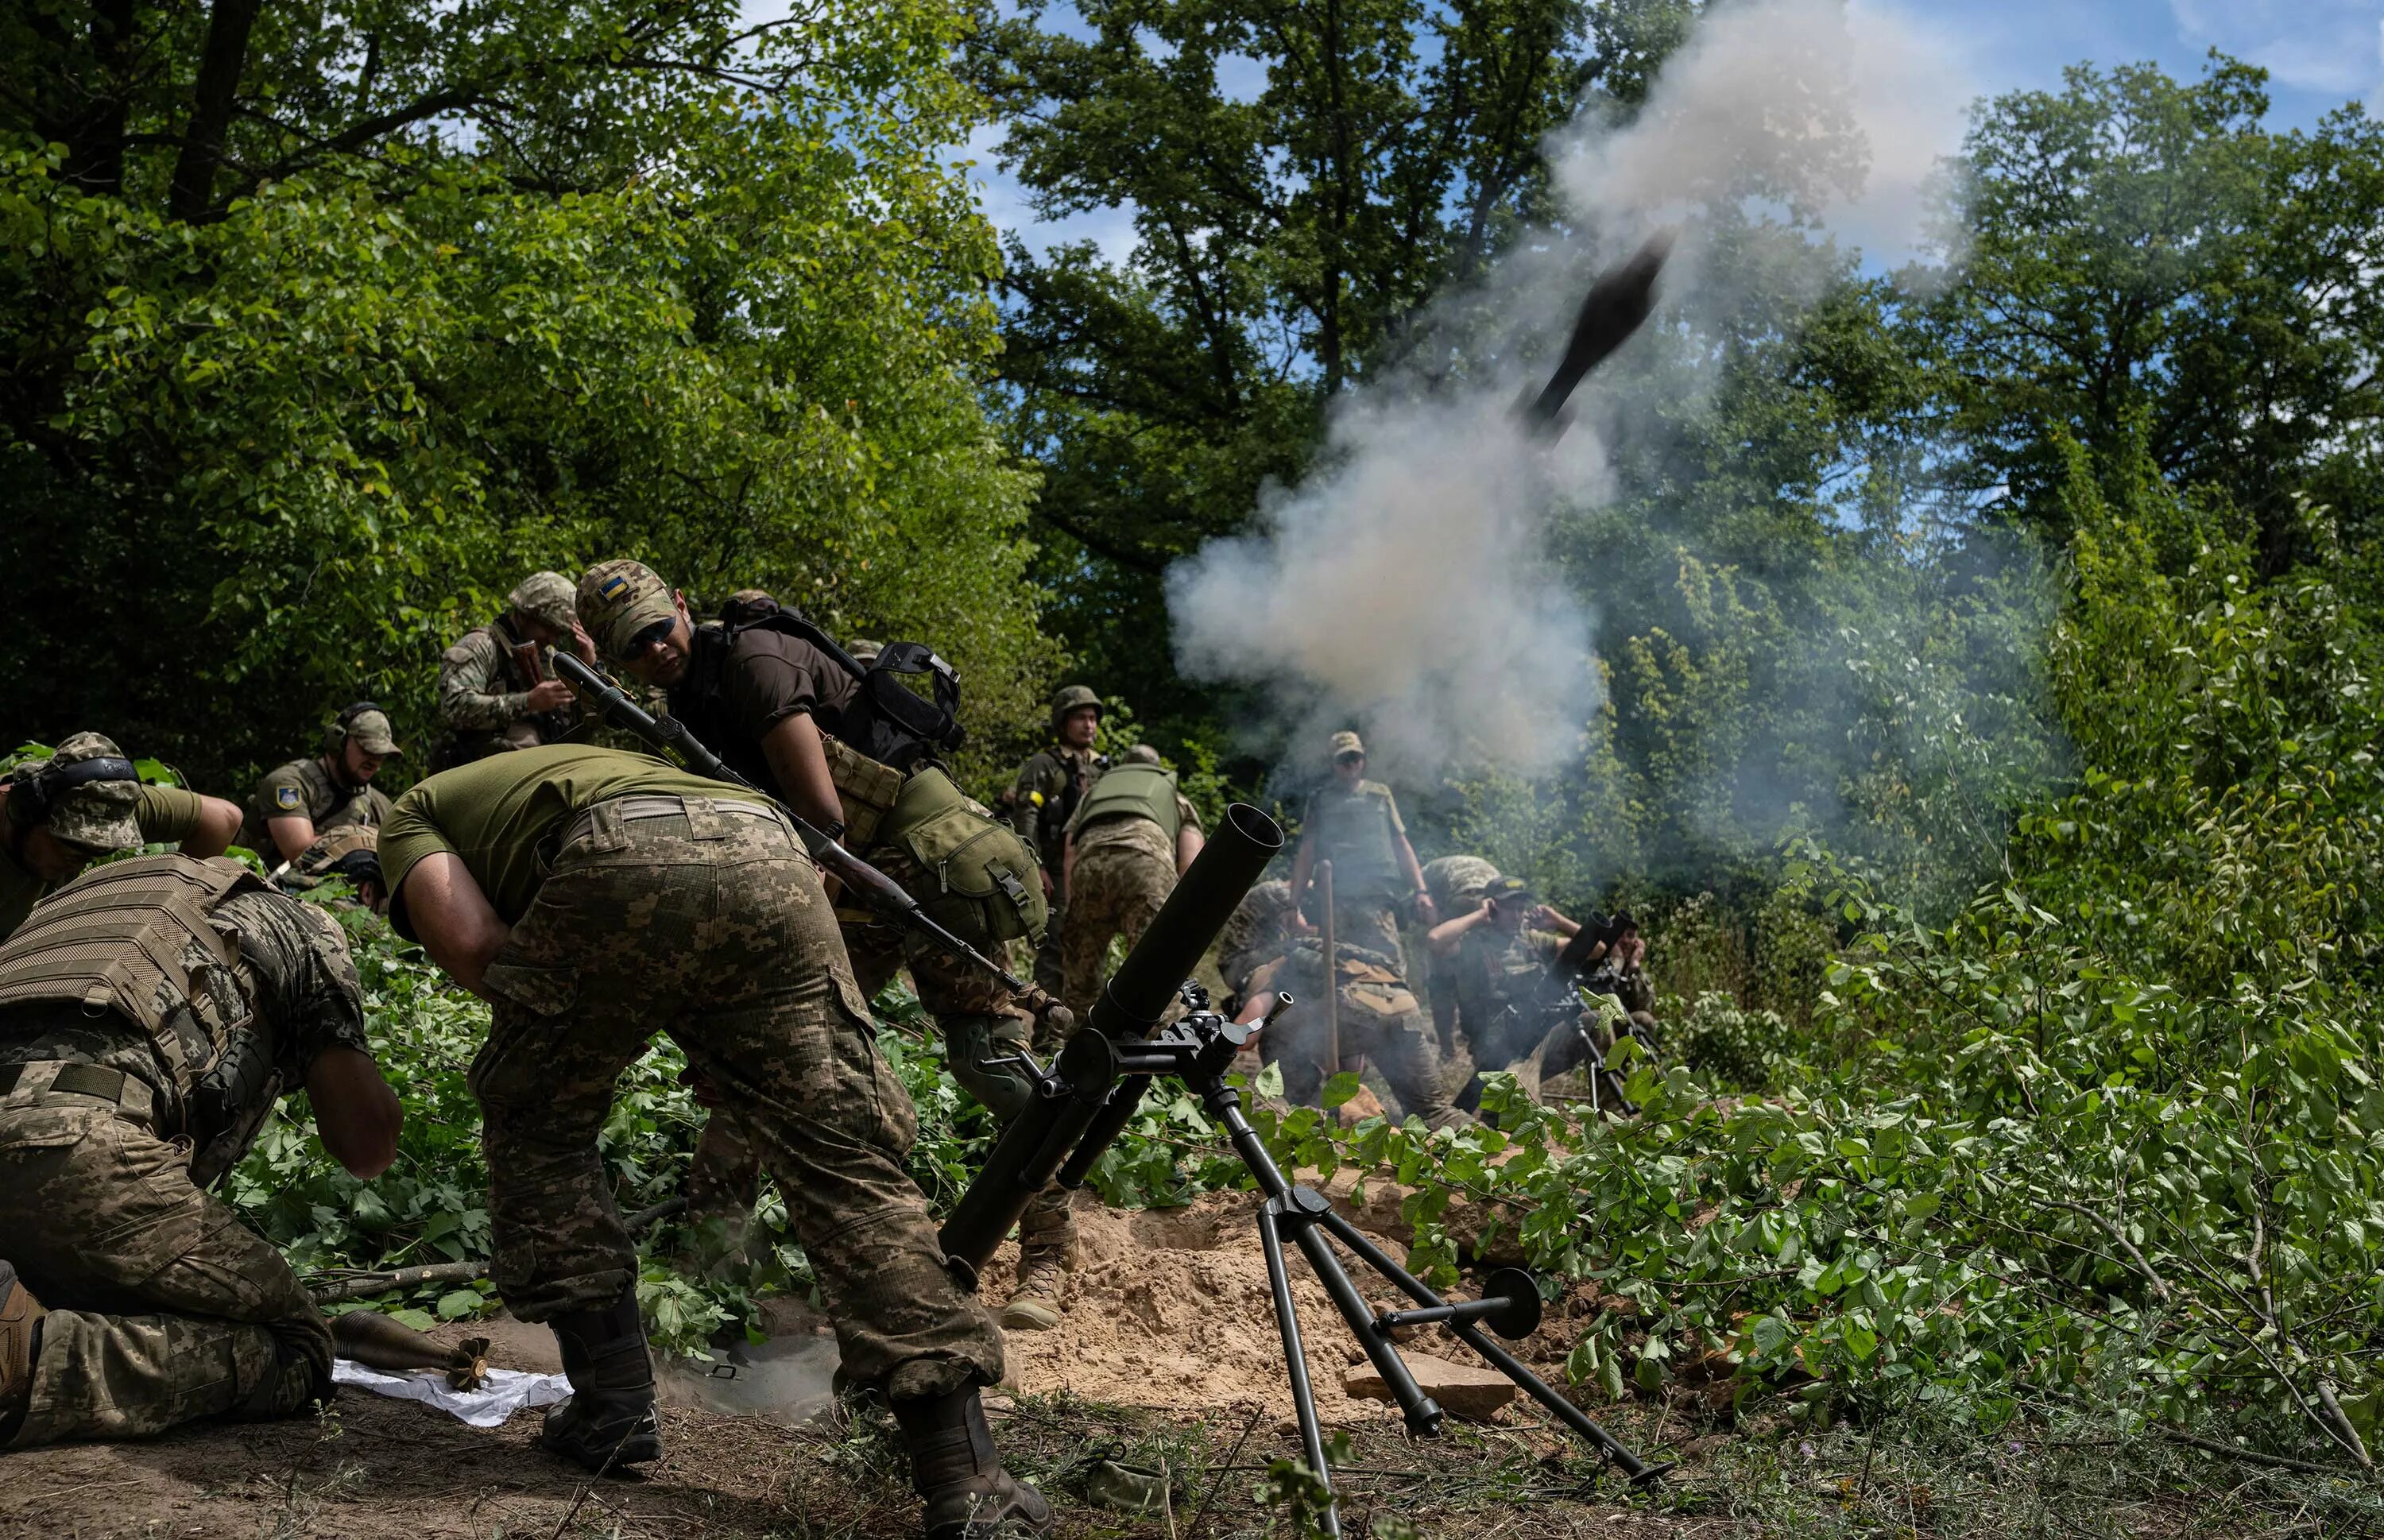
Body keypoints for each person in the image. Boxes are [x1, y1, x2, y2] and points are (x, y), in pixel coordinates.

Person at [377, 745, 1048, 1535]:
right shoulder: (599, 764)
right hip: (774, 849)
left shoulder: (410, 815)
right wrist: (720, 1037)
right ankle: (968, 1480)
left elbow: (481, 952)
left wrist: (585, 1032)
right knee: (842, 1159)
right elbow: (719, 889)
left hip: (619, 853)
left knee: (538, 1122)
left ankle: (612, 1408)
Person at [571, 564, 1070, 1331]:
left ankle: (1049, 1256)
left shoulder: (752, 662)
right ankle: (719, 1267)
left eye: (657, 629)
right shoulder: (688, 700)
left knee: (989, 1058)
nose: (654, 649)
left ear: (680, 604)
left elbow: (821, 817)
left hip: (918, 864)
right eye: (632, 647)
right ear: (611, 658)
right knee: (774, 1065)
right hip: (850, 881)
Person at [0, 854, 402, 1448]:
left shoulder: (78, 900)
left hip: (60, 1152)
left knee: (59, 1277)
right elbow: (366, 1145)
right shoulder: (303, 926)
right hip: (72, 1147)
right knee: (300, 1345)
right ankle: (28, 1366)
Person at [0, 733, 242, 940]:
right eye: (71, 845)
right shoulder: (41, 800)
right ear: (27, 808)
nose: (80, 862)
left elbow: (222, 819)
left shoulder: (102, 804)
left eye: (100, 849)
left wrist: (167, 916)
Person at [1426, 875, 1611, 1106]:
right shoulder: (1471, 945)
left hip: (1540, 1039)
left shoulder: (1532, 942)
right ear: (1493, 907)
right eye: (1510, 909)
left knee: (1597, 1020)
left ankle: (1611, 1112)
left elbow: (1598, 950)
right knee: (1521, 1112)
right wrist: (1479, 916)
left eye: (1521, 909)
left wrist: (1558, 921)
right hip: (1498, 1050)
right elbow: (1434, 940)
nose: (1517, 915)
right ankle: (1500, 1106)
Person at [1056, 744, 1203, 1025]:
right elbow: (1192, 861)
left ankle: (1076, 1051)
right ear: (1157, 768)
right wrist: (1182, 920)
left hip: (1090, 868)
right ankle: (1159, 1052)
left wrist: (1075, 907)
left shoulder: (1093, 795)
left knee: (1081, 975)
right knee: (1157, 972)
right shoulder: (1174, 797)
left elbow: (1069, 855)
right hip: (1146, 868)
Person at [1286, 732, 1433, 973]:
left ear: (1363, 759)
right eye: (1344, 759)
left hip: (1378, 899)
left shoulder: (1380, 794)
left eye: (1355, 758)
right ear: (1332, 764)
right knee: (1338, 971)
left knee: (1391, 968)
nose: (1350, 764)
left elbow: (1401, 844)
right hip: (1336, 901)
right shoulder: (1319, 799)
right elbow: (1307, 852)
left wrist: (1421, 890)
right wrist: (1293, 904)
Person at [428, 571, 600, 770]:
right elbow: (454, 708)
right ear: (526, 615)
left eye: (559, 633)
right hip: (478, 770)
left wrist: (588, 670)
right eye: (549, 628)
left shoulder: (548, 657)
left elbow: (577, 724)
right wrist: (527, 702)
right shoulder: (481, 646)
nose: (552, 639)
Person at [1004, 685, 1106, 996]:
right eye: (1080, 718)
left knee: (1091, 948)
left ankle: (1082, 1025)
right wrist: (1035, 867)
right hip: (1055, 872)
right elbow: (1027, 817)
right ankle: (1049, 1033)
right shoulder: (1045, 766)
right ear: (1063, 722)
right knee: (1055, 947)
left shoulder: (1105, 768)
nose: (1089, 725)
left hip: (1095, 871)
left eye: (1093, 718)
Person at [242, 703, 403, 865]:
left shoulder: (380, 805)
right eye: (367, 750)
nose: (375, 761)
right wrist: (363, 839)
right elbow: (299, 852)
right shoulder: (290, 783)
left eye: (381, 754)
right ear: (338, 742)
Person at [1418, 855, 1500, 1059]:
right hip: (1494, 899)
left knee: (1442, 981)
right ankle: (1486, 1036)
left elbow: (1427, 909)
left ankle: (1447, 1051)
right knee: (1489, 966)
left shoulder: (1423, 875)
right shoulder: (1478, 865)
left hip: (1461, 900)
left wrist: (1434, 928)